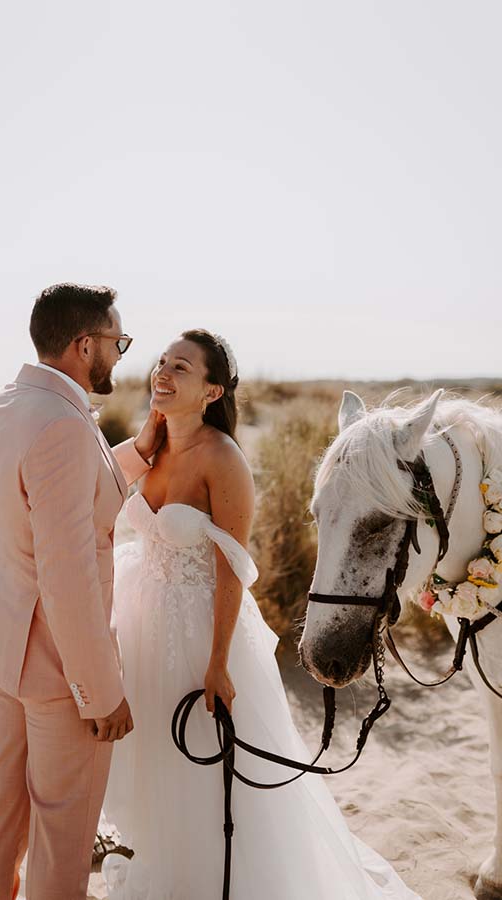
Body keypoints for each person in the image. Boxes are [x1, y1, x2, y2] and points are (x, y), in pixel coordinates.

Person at [101, 329, 421, 899]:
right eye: (160, 363)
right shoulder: (151, 448)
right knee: (157, 766)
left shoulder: (223, 460)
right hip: (142, 622)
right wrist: (147, 439)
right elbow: (98, 487)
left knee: (204, 770)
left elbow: (231, 570)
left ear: (212, 390)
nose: (162, 374)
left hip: (201, 633)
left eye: (181, 367)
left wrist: (218, 663)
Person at [0, 283, 164, 900]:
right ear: (85, 344)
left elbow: (64, 501)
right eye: (117, 341)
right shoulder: (62, 424)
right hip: (56, 667)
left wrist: (136, 454)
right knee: (62, 829)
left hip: (6, 645)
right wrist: (100, 692)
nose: (121, 353)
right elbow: (68, 571)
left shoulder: (10, 404)